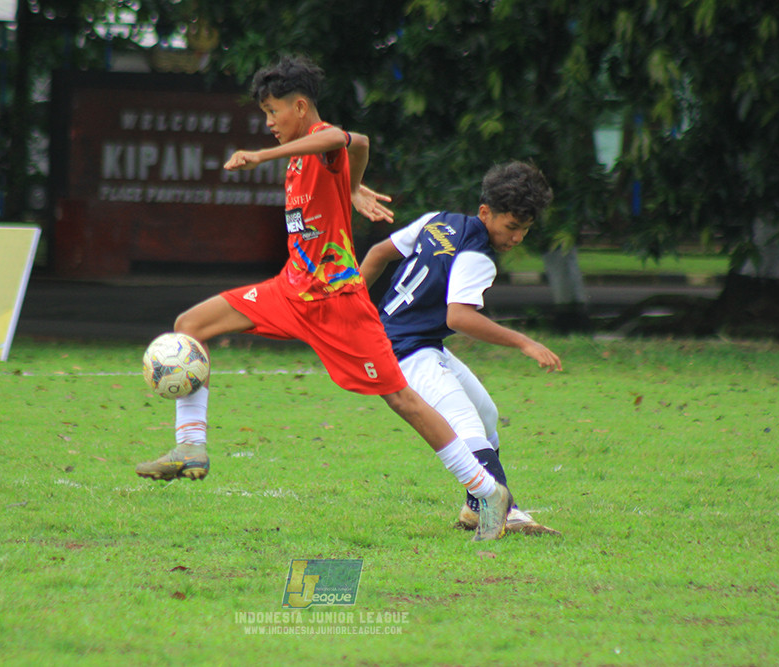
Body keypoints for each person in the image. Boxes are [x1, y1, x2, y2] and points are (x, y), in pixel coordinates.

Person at [135, 55, 513, 540]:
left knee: (402, 398)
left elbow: (350, 140)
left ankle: (485, 489)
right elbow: (343, 161)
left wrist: (260, 156)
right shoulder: (299, 152)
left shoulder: (317, 144)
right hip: (290, 289)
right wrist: (351, 190)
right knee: (190, 325)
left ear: (299, 105)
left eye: (273, 113)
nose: (269, 124)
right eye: (265, 118)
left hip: (338, 303)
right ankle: (190, 446)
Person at [359, 161, 562, 536]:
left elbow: (376, 255)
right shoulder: (478, 256)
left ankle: (474, 508)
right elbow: (459, 317)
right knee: (465, 422)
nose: (517, 238)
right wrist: (524, 341)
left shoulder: (440, 221)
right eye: (512, 227)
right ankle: (503, 509)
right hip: (405, 349)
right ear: (486, 213)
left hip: (413, 342)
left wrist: (351, 308)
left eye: (526, 229)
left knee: (486, 415)